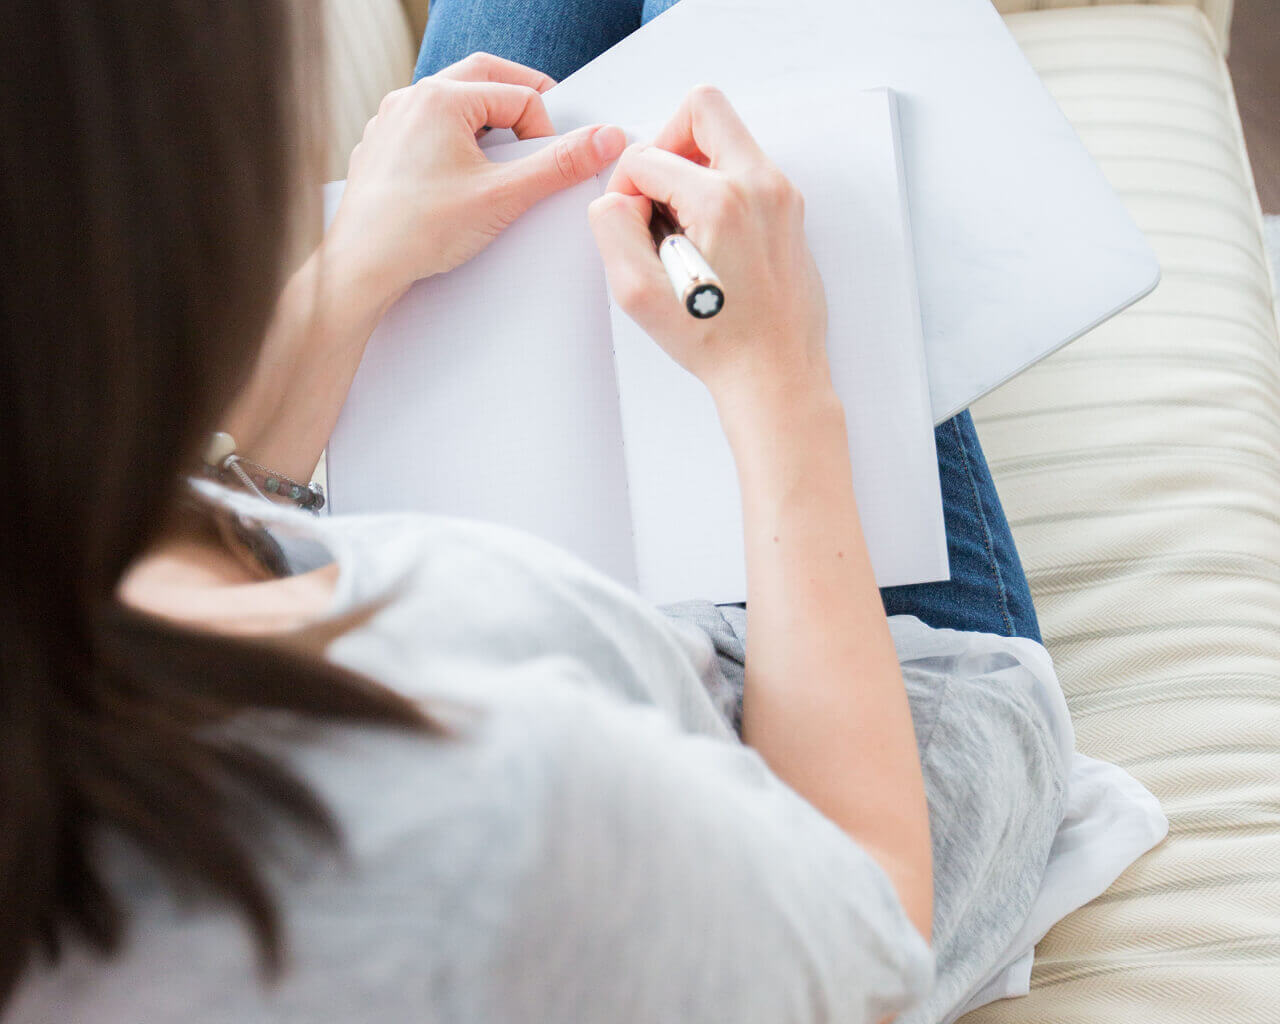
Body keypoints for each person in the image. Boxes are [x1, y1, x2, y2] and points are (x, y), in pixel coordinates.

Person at [0, 1, 1068, 1022]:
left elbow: (173, 515)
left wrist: (357, 265)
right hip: (861, 715)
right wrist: (779, 378)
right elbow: (866, 927)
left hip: (521, 582)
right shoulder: (487, 806)